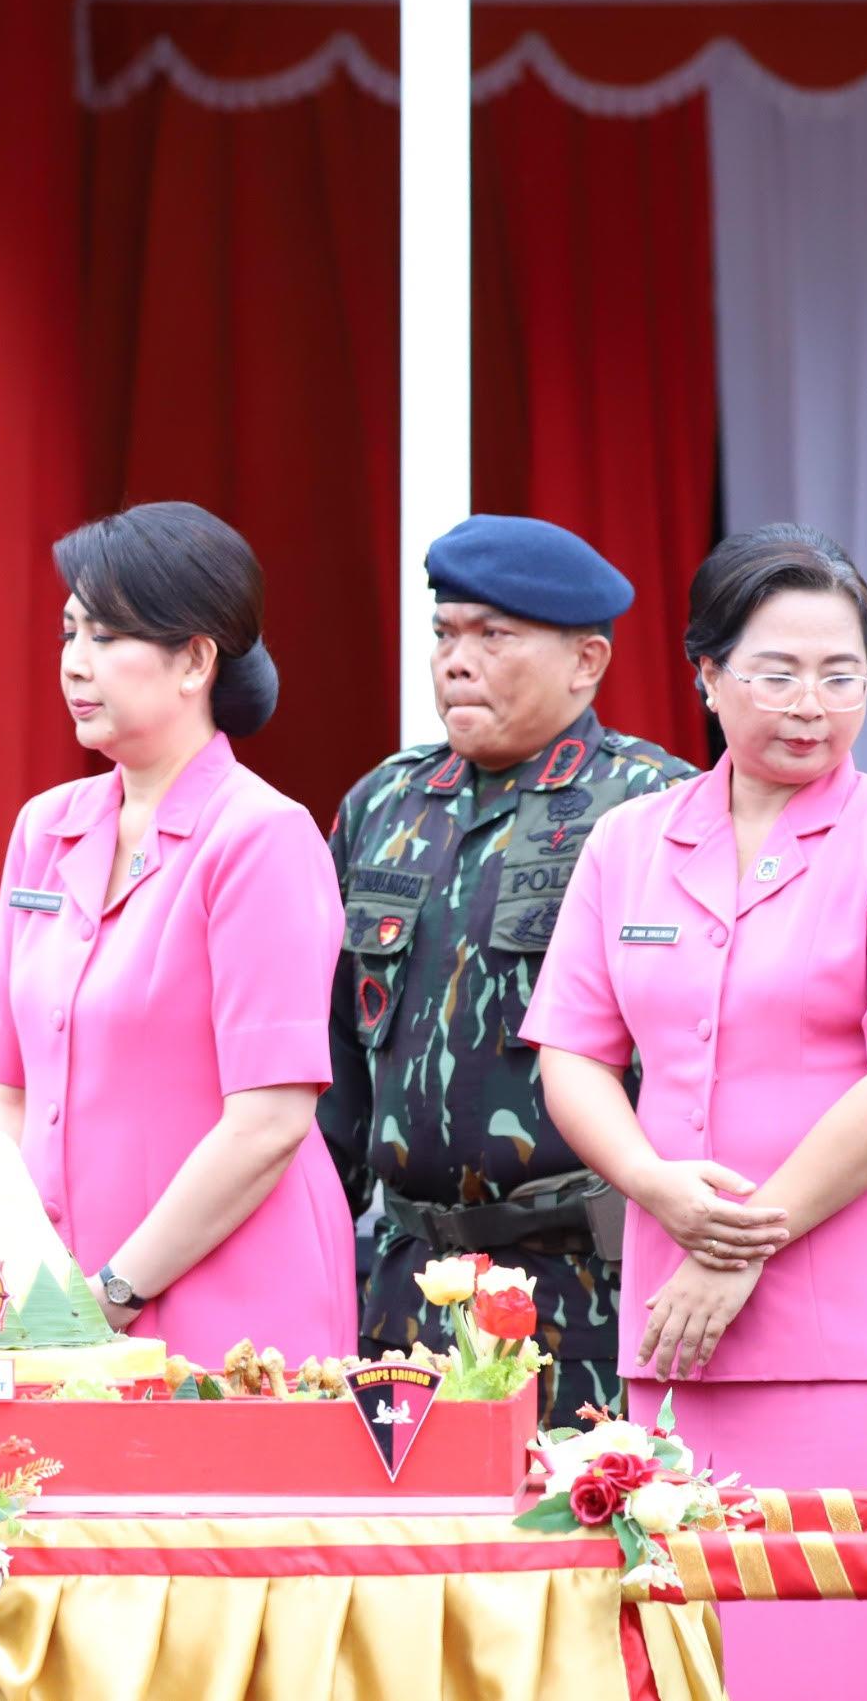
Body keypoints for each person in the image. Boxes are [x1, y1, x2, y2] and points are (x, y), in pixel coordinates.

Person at [522, 524, 867, 1697]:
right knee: (697, 1640)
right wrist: (651, 1182)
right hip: (680, 1327)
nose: (810, 702)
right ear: (705, 671)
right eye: (776, 670)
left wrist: (741, 1240)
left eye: (842, 675)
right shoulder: (630, 843)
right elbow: (573, 1051)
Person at [321, 515, 696, 1423]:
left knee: (583, 1550)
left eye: (495, 635)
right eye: (447, 633)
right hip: (408, 1293)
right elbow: (333, 1068)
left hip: (589, 1291)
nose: (458, 659)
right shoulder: (384, 804)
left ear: (587, 661)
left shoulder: (655, 808)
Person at [0, 501, 353, 1363]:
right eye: (69, 632)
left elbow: (269, 1122)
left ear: (195, 661)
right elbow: (7, 1091)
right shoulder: (45, 827)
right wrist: (2, 1276)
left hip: (232, 1309)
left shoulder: (260, 836)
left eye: (105, 637)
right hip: (57, 1308)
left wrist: (112, 1292)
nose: (73, 664)